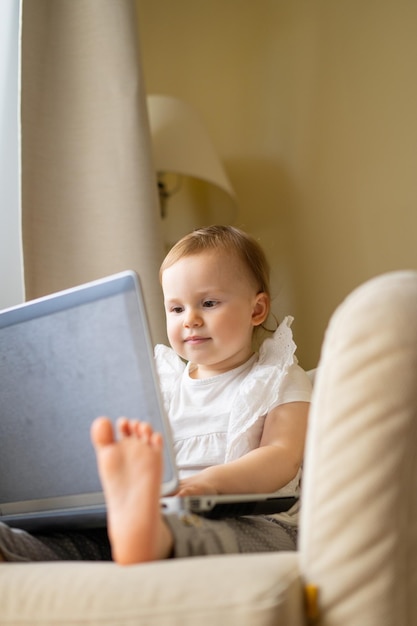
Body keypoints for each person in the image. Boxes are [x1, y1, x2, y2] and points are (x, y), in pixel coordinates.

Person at [0, 225, 311, 564]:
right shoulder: (162, 386)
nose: (190, 320)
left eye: (208, 303)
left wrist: (210, 485)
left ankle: (150, 535)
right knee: (85, 538)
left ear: (256, 310)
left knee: (215, 534)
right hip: (161, 509)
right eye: (176, 309)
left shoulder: (277, 376)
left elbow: (282, 455)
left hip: (252, 517)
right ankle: (15, 545)